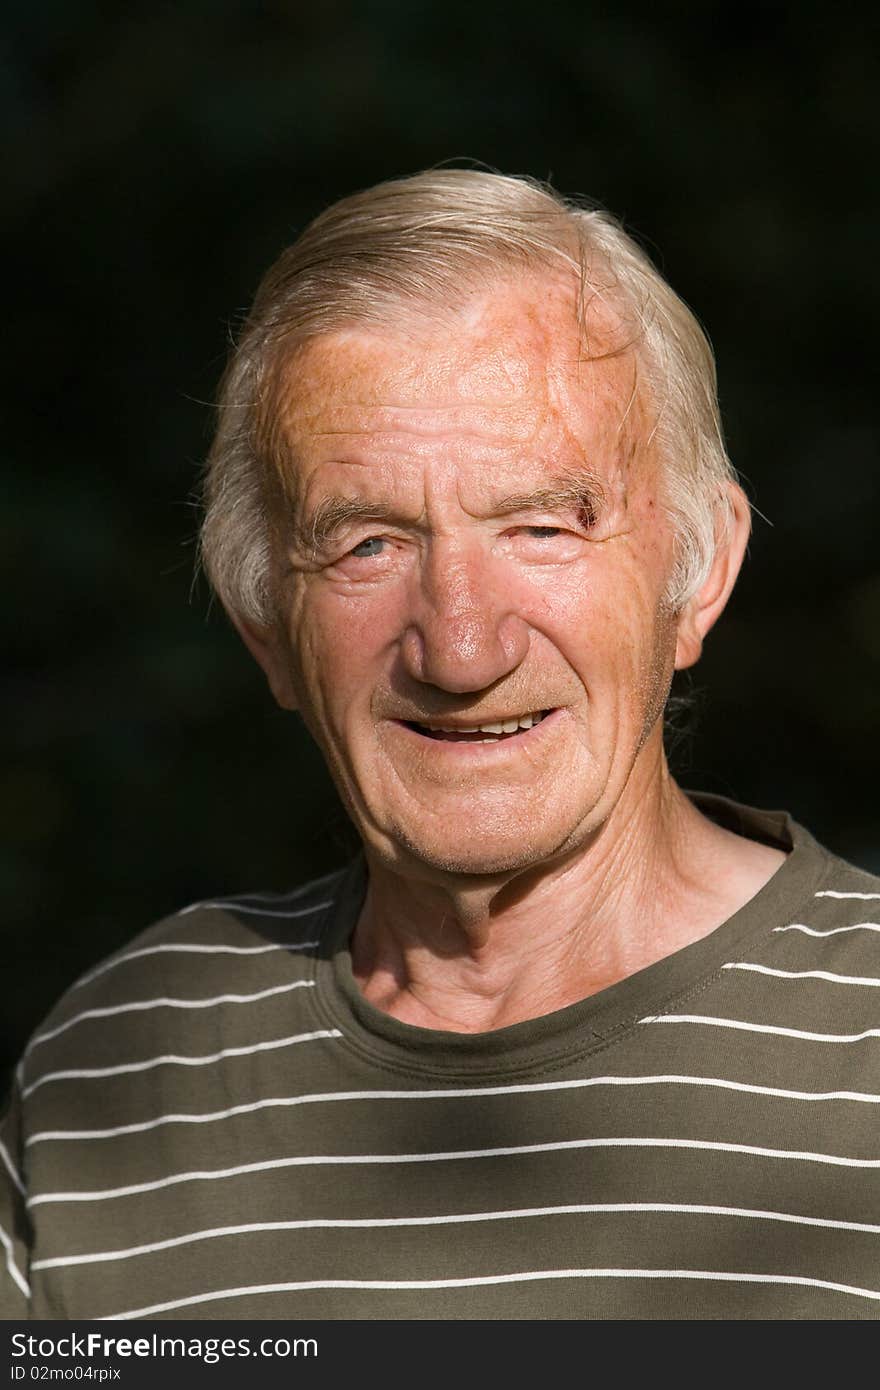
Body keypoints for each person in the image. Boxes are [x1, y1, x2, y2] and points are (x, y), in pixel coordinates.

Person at [3, 170, 879, 1323]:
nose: (460, 646)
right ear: (265, 616)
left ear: (700, 566)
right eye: (367, 543)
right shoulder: (115, 1074)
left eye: (539, 525)